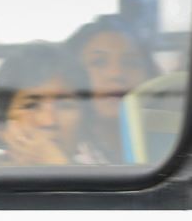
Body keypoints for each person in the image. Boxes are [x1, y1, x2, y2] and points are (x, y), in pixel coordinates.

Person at [0, 42, 96, 166]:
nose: (49, 121)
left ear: (84, 121)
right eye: (31, 105)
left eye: (65, 106)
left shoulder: (103, 183)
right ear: (4, 124)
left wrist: (60, 168)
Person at [63, 15, 160, 163]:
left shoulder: (170, 145)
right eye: (99, 62)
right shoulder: (62, 152)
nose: (116, 74)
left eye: (130, 63)